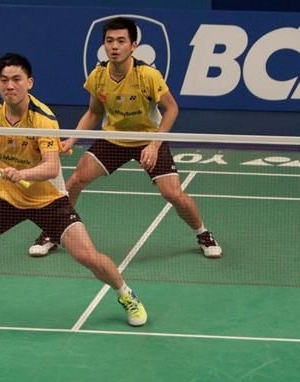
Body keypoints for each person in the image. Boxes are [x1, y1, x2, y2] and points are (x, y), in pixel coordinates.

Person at [0, 52, 147, 327]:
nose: (10, 86)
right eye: (4, 80)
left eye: (17, 79)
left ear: (29, 82)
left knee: (87, 256)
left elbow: (51, 167)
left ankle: (126, 294)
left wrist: (21, 173)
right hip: (7, 199)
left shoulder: (43, 119)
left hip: (49, 201)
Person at [29, 17, 223, 260]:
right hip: (114, 138)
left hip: (148, 138)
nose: (114, 46)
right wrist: (71, 139)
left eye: (121, 41)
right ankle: (53, 231)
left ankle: (203, 233)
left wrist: (154, 144)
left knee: (172, 193)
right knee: (77, 179)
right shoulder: (98, 75)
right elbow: (94, 112)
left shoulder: (148, 75)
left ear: (133, 45)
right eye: (109, 41)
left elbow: (172, 109)